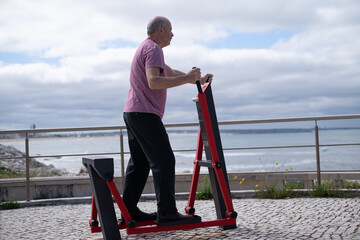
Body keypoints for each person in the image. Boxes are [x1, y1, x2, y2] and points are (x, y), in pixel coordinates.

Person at [122, 16, 213, 227]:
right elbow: (154, 82)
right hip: (144, 114)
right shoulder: (153, 48)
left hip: (133, 112)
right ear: (161, 30)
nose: (173, 34)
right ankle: (167, 213)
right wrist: (188, 79)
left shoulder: (147, 48)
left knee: (140, 163)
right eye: (171, 30)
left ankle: (129, 212)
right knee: (164, 161)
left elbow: (169, 73)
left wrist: (196, 80)